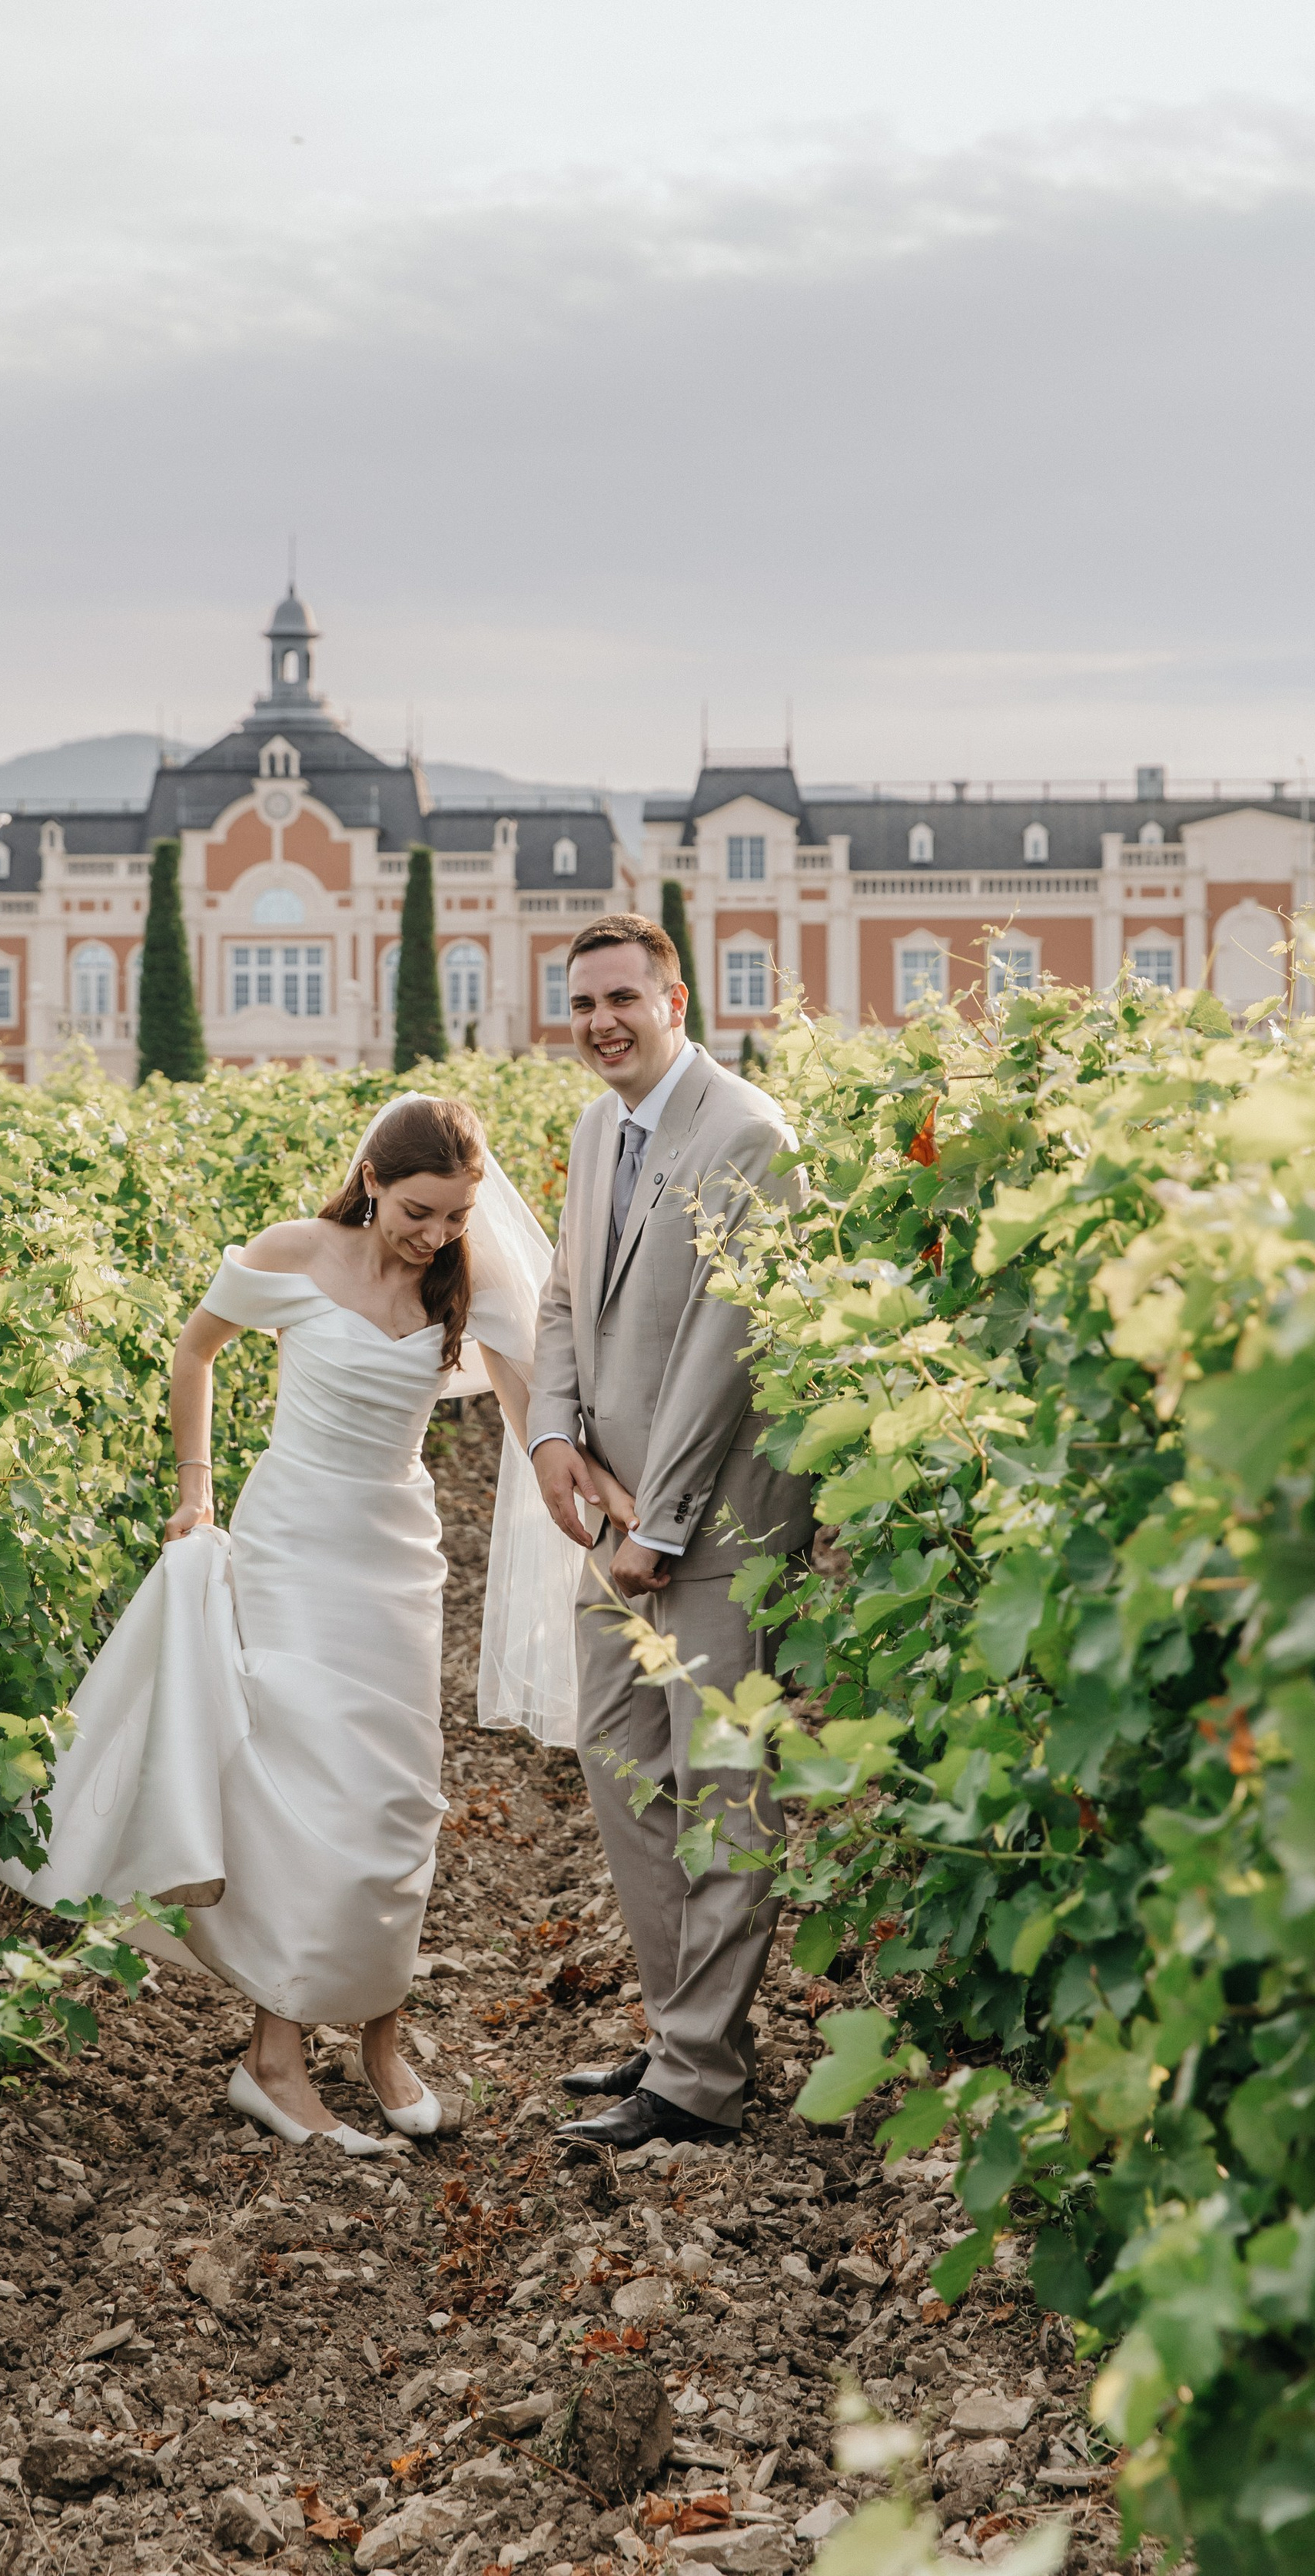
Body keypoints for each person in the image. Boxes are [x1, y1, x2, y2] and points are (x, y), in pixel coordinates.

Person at [0, 1092, 563, 2157]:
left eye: (458, 1215)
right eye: (422, 1211)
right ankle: (276, 2059)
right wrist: (196, 1490)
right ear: (375, 1180)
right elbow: (196, 1352)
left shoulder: (462, 1281)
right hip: (294, 1540)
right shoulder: (296, 1252)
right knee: (305, 1791)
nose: (439, 1234)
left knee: (401, 1799)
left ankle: (382, 2046)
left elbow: (536, 1418)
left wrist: (585, 1496)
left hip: (395, 1548)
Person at [527, 913, 812, 2152]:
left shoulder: (751, 1133)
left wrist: (667, 1524)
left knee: (725, 1787)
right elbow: (560, 1296)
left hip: (719, 1525)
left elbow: (724, 1350)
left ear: (677, 998)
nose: (602, 1021)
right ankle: (681, 2025)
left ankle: (699, 2081)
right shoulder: (601, 1128)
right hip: (615, 1517)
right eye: (584, 1001)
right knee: (618, 1758)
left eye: (623, 998)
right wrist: (551, 1437)